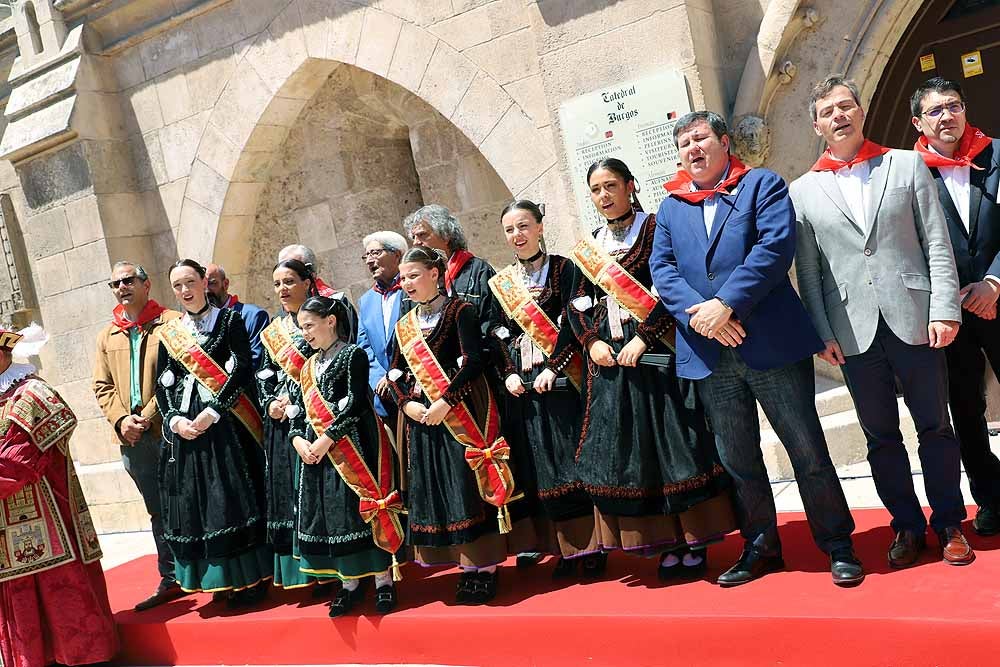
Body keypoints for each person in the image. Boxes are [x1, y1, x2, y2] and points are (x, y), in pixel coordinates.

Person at [651, 112, 862, 587]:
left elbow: (773, 249)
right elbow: (663, 270)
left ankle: (837, 543)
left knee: (807, 449)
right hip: (710, 353)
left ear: (724, 142)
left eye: (701, 137)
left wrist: (726, 305)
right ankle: (761, 546)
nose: (693, 148)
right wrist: (702, 315)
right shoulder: (670, 208)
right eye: (685, 143)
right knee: (738, 459)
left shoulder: (761, 185)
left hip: (769, 343)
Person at [791, 75, 972, 568]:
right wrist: (822, 332)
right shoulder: (802, 191)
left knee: (936, 426)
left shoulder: (906, 163)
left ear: (861, 111)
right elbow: (808, 272)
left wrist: (944, 311)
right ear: (817, 125)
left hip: (915, 318)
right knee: (881, 437)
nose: (839, 116)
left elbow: (936, 242)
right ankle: (908, 526)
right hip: (852, 331)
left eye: (846, 106)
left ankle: (950, 522)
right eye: (828, 111)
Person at [567, 157, 736, 581]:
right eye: (595, 190)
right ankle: (664, 541)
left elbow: (675, 286)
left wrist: (644, 336)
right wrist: (592, 342)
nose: (603, 196)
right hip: (616, 368)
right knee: (639, 455)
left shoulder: (657, 227)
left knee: (676, 446)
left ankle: (695, 539)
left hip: (660, 357)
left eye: (610, 186)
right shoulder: (591, 247)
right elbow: (576, 304)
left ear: (630, 185)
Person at [386, 246, 524, 604]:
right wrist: (407, 403)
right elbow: (396, 370)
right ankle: (465, 566)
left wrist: (446, 401)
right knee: (443, 489)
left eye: (413, 275)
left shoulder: (461, 310)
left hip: (462, 410)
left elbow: (474, 360)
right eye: (403, 278)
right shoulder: (406, 325)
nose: (407, 284)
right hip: (424, 418)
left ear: (435, 273)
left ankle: (487, 566)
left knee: (467, 484)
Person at [488, 199, 597, 578]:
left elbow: (573, 320)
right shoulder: (502, 285)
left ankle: (590, 546)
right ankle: (561, 549)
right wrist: (507, 373)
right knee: (541, 467)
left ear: (539, 227)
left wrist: (555, 366)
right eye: (509, 230)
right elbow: (497, 333)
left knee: (570, 461)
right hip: (524, 387)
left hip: (563, 383)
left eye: (523, 226)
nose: (516, 235)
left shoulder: (566, 269)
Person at [910, 76, 1000, 537]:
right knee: (966, 410)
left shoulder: (997, 154)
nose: (947, 116)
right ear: (918, 122)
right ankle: (991, 497)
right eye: (936, 110)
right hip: (951, 314)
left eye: (954, 106)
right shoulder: (908, 173)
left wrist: (993, 282)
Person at [0, 325, 119, 667]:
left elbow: (18, 464)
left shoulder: (33, 394)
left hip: (50, 525)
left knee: (64, 600)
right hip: (10, 532)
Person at [155, 259, 271, 606]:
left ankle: (249, 579)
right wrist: (175, 419)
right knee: (199, 504)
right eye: (177, 286)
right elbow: (162, 384)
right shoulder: (171, 333)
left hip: (226, 425)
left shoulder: (230, 320)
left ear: (204, 282)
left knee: (231, 500)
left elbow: (243, 368)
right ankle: (217, 581)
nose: (184, 291)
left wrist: (212, 412)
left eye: (189, 282)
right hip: (189, 429)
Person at [289, 296, 405, 617]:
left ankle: (383, 581)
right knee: (334, 517)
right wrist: (298, 439)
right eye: (302, 328)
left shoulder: (352, 354)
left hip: (355, 443)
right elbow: (298, 410)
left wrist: (326, 439)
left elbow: (355, 402)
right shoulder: (309, 365)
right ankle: (349, 583)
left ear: (330, 321)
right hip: (320, 452)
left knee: (360, 510)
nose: (306, 334)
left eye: (309, 326)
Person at [92, 261, 184, 610]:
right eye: (115, 283)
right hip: (131, 438)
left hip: (167, 429)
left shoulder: (171, 323)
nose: (121, 288)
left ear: (146, 285)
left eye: (128, 281)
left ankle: (200, 570)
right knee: (156, 508)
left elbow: (178, 376)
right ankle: (171, 576)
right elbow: (102, 386)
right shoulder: (106, 335)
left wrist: (146, 416)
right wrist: (121, 421)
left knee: (185, 499)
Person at [257, 259, 320, 590]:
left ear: (307, 283)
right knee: (289, 496)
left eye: (289, 282)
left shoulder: (323, 318)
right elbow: (265, 375)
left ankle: (328, 565)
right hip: (285, 427)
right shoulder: (272, 333)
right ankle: (301, 573)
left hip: (318, 421)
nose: (282, 289)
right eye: (278, 283)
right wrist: (271, 403)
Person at [402, 204, 496, 338]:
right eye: (414, 237)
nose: (416, 243)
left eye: (422, 235)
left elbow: (491, 323)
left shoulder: (478, 271)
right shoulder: (411, 281)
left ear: (445, 236)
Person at [357, 231, 408, 427]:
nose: (369, 261)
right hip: (385, 397)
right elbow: (364, 346)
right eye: (366, 256)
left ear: (397, 254)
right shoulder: (366, 301)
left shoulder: (411, 290)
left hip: (414, 386)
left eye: (375, 253)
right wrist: (379, 377)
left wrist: (395, 374)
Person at [277, 244, 358, 342]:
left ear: (311, 274)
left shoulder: (336, 304)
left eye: (293, 269)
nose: (283, 286)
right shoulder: (279, 318)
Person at [206, 263, 270, 370]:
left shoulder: (253, 315)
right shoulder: (195, 321)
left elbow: (257, 361)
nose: (207, 290)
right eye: (203, 285)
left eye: (212, 283)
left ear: (225, 284)